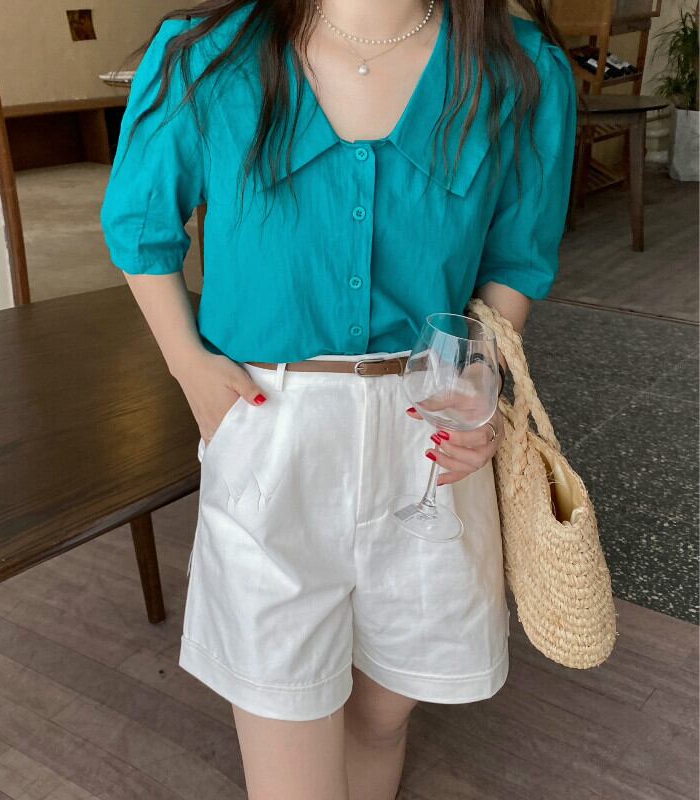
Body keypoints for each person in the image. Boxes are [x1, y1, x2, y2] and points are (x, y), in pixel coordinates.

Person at [100, 0, 576, 797]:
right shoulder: (208, 55)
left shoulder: (518, 67)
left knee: (381, 719)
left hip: (431, 447)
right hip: (270, 429)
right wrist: (188, 365)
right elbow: (139, 223)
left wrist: (479, 374)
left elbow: (517, 258)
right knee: (289, 738)